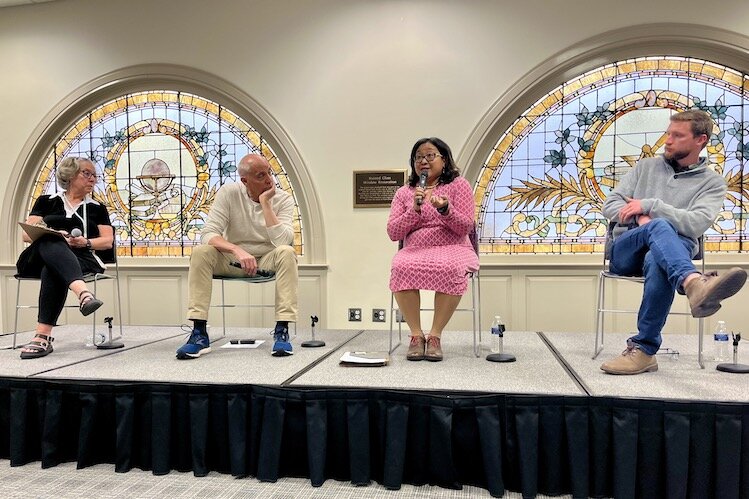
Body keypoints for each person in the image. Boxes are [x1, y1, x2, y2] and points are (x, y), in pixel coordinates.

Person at [600, 110, 747, 375]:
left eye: (677, 136)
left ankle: (644, 351)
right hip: (627, 249)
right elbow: (610, 204)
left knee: (658, 258)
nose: (667, 140)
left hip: (670, 254)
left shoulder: (712, 183)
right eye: (668, 134)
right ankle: (693, 283)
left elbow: (696, 224)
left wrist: (649, 206)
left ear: (701, 140)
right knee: (659, 227)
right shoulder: (644, 167)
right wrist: (644, 220)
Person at [176, 154, 298, 359]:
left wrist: (266, 203)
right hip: (235, 261)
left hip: (267, 259)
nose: (269, 179)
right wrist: (236, 249)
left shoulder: (283, 199)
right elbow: (208, 233)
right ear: (245, 181)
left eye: (269, 172)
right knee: (200, 252)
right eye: (261, 175)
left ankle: (282, 330)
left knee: (287, 252)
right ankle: (199, 333)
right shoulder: (229, 193)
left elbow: (283, 241)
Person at [387, 137, 479, 362]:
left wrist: (446, 209)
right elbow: (393, 232)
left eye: (430, 156)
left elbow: (466, 226)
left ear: (444, 160)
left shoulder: (459, 185)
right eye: (418, 157)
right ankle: (416, 336)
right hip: (416, 249)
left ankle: (435, 335)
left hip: (454, 246)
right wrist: (414, 210)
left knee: (450, 267)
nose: (424, 161)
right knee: (401, 265)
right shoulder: (404, 193)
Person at [16, 157, 113, 359]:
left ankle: (42, 336)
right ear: (69, 175)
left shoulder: (97, 208)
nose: (93, 179)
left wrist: (85, 242)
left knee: (54, 269)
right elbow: (27, 234)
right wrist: (56, 234)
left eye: (95, 175)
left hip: (81, 258)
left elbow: (107, 241)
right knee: (49, 240)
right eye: (87, 173)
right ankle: (84, 294)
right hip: (38, 257)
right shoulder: (46, 202)